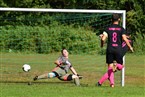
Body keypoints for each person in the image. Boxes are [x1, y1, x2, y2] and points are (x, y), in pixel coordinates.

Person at [97, 13, 134, 87]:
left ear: (111, 20)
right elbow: (124, 38)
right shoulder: (121, 29)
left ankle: (110, 84)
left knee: (110, 68)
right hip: (118, 49)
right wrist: (130, 47)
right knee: (120, 66)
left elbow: (103, 39)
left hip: (110, 49)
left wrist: (101, 44)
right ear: (119, 19)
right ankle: (111, 84)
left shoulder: (108, 28)